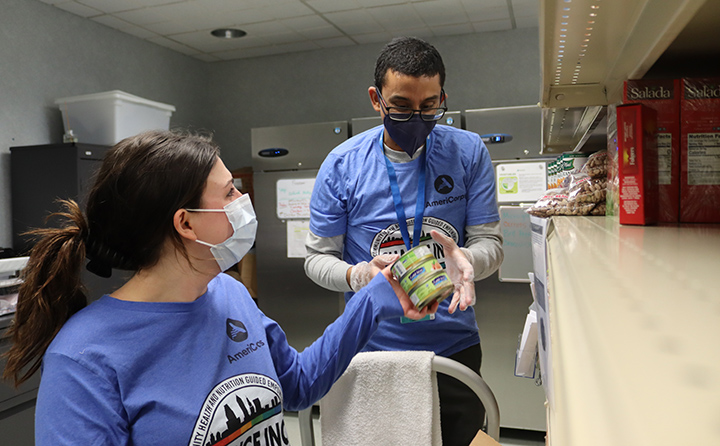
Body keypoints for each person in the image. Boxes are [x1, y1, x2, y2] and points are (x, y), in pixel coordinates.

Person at [1, 130, 435, 445]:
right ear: (185, 222)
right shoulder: (84, 359)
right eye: (229, 193)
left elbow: (298, 385)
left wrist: (371, 300)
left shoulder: (230, 294)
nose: (242, 202)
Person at [305, 36, 504, 446]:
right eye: (401, 106)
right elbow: (317, 259)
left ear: (442, 97)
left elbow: (491, 244)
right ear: (376, 100)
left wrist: (466, 260)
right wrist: (360, 276)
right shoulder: (342, 165)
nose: (417, 117)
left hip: (455, 345)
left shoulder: (467, 153)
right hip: (370, 349)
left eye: (429, 106)